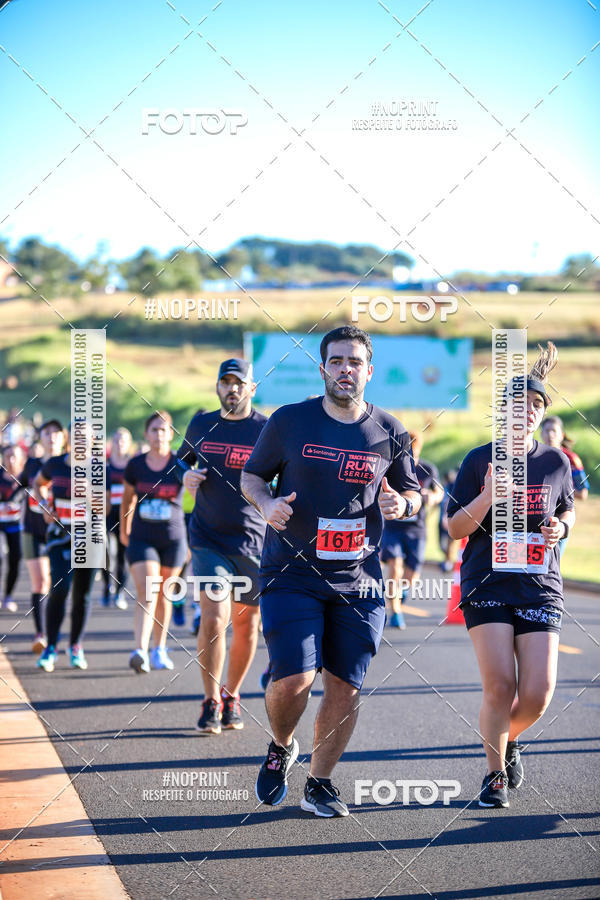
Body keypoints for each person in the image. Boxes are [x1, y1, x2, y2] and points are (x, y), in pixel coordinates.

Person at [241, 325, 421, 817]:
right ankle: (281, 745)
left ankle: (319, 783)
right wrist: (266, 503)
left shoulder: (390, 430)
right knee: (294, 679)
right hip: (291, 573)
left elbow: (414, 493)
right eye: (336, 361)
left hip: (359, 580)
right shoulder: (289, 421)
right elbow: (252, 475)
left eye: (354, 362)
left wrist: (401, 504)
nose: (346, 369)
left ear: (369, 371)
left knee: (346, 685)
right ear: (323, 368)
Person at [447, 342, 576, 809]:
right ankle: (494, 773)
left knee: (538, 694)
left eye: (536, 406)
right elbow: (455, 526)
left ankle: (507, 740)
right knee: (500, 685)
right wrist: (485, 497)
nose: (526, 412)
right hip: (487, 582)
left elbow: (567, 514)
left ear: (541, 415)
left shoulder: (555, 462)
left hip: (540, 585)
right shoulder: (478, 459)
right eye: (518, 404)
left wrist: (561, 526)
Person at [177, 360, 267, 733]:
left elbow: (285, 474)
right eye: (225, 382)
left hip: (252, 540)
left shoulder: (266, 429)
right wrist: (185, 474)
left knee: (247, 627)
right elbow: (178, 463)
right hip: (207, 536)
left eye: (239, 383)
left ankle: (232, 695)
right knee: (214, 619)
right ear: (217, 387)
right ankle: (211, 700)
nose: (232, 389)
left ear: (251, 388)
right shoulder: (201, 424)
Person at [120, 411, 186, 673]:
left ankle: (160, 649)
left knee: (164, 596)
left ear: (171, 434)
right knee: (148, 590)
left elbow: (196, 496)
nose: (159, 435)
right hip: (142, 537)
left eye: (163, 430)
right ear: (146, 434)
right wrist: (124, 529)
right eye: (154, 430)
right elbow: (127, 499)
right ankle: (140, 651)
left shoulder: (180, 464)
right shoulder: (136, 465)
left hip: (173, 538)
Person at [33, 424, 99, 672]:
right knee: (60, 589)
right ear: (69, 438)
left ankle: (76, 646)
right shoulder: (55, 464)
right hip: (60, 536)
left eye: (86, 437)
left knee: (82, 595)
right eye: (77, 435)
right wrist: (44, 506)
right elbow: (38, 483)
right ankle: (50, 647)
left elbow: (104, 508)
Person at [380, 431, 443, 628]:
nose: (409, 461)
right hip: (392, 526)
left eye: (413, 457)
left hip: (417, 529)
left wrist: (432, 498)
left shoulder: (428, 469)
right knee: (395, 566)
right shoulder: (389, 467)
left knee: (412, 575)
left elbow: (439, 491)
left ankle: (401, 592)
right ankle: (395, 612)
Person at [20, 419, 65, 651]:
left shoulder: (67, 464)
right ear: (41, 437)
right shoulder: (32, 464)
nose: (52, 436)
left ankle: (56, 633)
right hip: (33, 530)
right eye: (47, 433)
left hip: (59, 532)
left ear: (63, 437)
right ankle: (41, 634)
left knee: (58, 585)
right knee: (41, 581)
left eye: (56, 432)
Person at [541, 415, 589, 560]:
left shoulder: (571, 459)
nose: (550, 435)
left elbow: (583, 493)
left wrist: (556, 490)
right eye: (547, 431)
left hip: (561, 517)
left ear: (562, 435)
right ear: (541, 434)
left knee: (553, 561)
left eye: (554, 431)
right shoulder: (535, 455)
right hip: (538, 516)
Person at [103, 427, 132, 609]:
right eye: (116, 439)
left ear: (128, 444)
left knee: (122, 556)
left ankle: (120, 591)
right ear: (111, 443)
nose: (119, 443)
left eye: (123, 440)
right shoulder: (105, 466)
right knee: (104, 552)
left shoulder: (132, 465)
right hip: (106, 514)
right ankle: (107, 585)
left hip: (126, 514)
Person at [0, 444, 25, 612]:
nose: (11, 459)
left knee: (15, 560)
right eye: (8, 455)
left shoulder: (25, 477)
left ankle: (8, 596)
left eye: (15, 456)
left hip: (16, 525)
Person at [438, 469, 459, 573]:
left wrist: (446, 517)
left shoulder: (454, 487)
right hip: (442, 518)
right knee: (441, 544)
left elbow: (448, 502)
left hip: (450, 518)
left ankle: (448, 563)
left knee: (451, 542)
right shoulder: (446, 487)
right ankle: (448, 561)